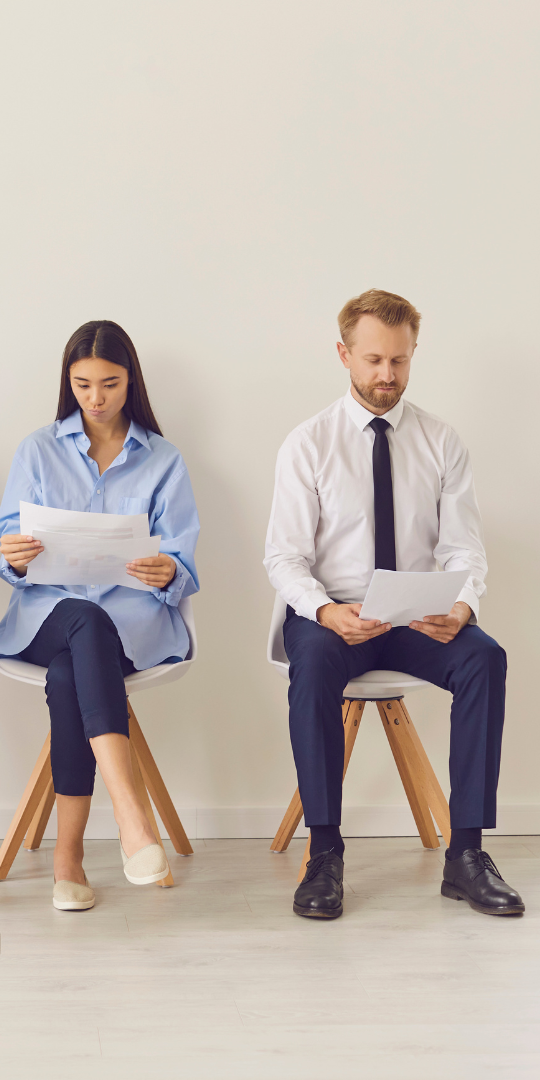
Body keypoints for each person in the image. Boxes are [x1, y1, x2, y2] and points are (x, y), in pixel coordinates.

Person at [265, 289, 524, 920]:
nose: (387, 375)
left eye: (400, 361)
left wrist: (461, 605)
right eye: (374, 360)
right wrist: (325, 611)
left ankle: (466, 854)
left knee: (484, 659)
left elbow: (463, 549)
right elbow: (285, 558)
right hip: (334, 614)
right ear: (344, 355)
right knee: (314, 666)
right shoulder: (309, 443)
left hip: (413, 613)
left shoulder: (440, 441)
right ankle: (324, 852)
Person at [0, 320, 200, 912]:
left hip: (131, 628)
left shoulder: (164, 459)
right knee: (82, 617)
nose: (96, 398)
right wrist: (16, 556)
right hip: (46, 617)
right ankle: (132, 819)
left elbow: (183, 563)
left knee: (68, 677)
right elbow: (9, 550)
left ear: (131, 381)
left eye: (109, 384)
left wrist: (168, 570)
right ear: (69, 382)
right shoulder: (37, 450)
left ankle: (69, 858)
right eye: (83, 385)